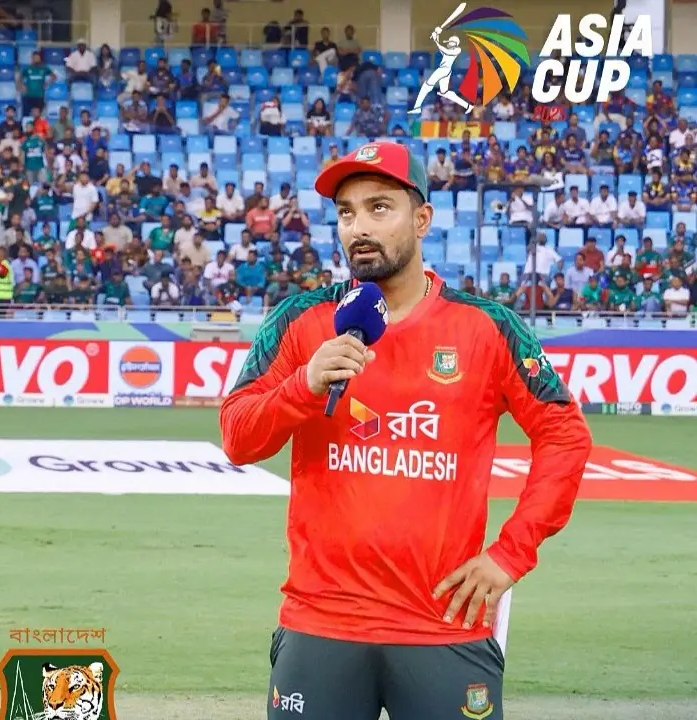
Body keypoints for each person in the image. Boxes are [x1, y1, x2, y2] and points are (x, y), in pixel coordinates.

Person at [218, 141, 592, 720]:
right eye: (347, 213)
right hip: (322, 623)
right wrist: (304, 384)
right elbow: (239, 439)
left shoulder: (487, 327)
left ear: (422, 219)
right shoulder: (300, 321)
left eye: (379, 208)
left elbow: (565, 435)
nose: (359, 228)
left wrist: (510, 554)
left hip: (443, 625)